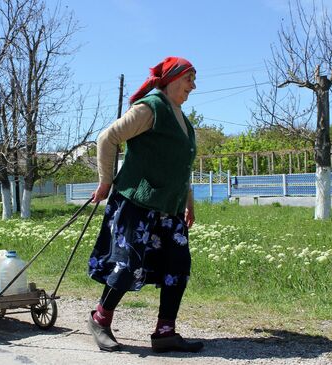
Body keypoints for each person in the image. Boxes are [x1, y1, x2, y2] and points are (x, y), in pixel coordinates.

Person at [86, 56, 203, 353]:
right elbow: (107, 138)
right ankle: (100, 319)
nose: (193, 86)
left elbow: (181, 166)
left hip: (170, 207)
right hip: (137, 202)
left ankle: (165, 333)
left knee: (178, 266)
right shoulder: (151, 108)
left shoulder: (182, 120)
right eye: (190, 78)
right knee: (128, 267)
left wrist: (188, 202)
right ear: (174, 78)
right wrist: (105, 181)